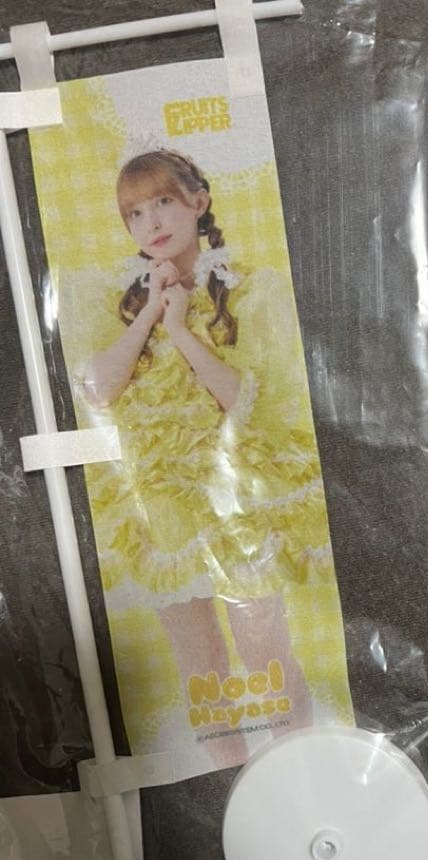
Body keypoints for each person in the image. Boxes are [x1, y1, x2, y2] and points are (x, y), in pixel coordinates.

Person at [75, 148, 335, 767]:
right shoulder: (121, 300)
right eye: (136, 213)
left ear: (198, 202)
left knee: (265, 651)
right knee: (202, 669)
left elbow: (240, 399)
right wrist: (150, 315)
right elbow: (97, 391)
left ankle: (298, 773)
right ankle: (232, 789)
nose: (152, 222)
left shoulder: (250, 288)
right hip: (163, 507)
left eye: (164, 201)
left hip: (235, 494)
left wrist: (182, 330)